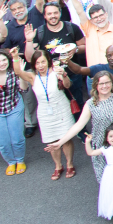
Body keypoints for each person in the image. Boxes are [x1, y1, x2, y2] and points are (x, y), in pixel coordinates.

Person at [0, 50, 33, 175]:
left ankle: (20, 160)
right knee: (2, 141)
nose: (2, 63)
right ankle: (11, 162)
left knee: (17, 138)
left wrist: (21, 75)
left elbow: (24, 90)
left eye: (4, 60)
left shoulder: (14, 72)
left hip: (13, 107)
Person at [29, 48, 76, 180]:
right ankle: (58, 166)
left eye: (43, 62)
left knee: (65, 139)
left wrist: (64, 75)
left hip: (61, 108)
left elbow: (67, 85)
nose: (41, 66)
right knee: (52, 140)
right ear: (34, 65)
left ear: (48, 61)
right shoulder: (33, 76)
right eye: (37, 63)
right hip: (44, 112)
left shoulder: (56, 71)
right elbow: (17, 71)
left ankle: (70, 164)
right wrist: (15, 58)